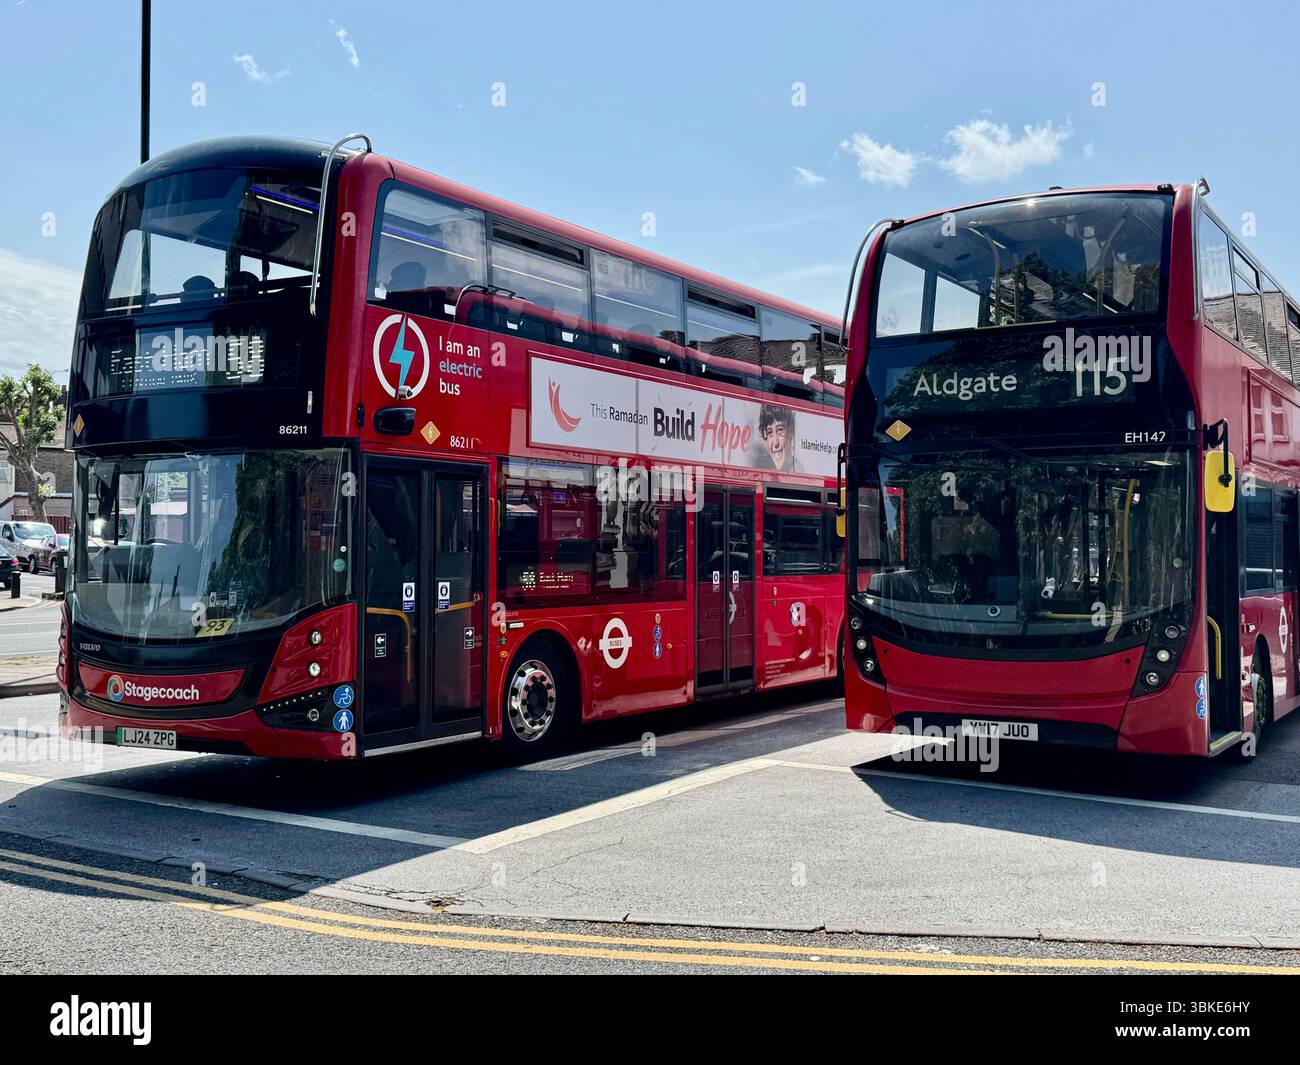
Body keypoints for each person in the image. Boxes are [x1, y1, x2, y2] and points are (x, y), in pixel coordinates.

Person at [758, 404, 802, 473]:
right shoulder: (759, 466)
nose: (776, 443)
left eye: (780, 430)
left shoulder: (799, 469)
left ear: (790, 431)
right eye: (770, 432)